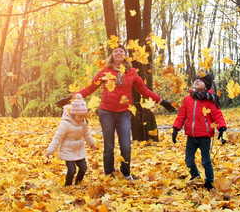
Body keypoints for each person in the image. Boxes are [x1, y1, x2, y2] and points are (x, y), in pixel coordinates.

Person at [56, 44, 175, 180]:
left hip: (124, 114)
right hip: (106, 113)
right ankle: (109, 174)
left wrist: (163, 102)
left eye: (121, 51)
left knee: (125, 145)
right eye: (115, 51)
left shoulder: (132, 73)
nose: (118, 53)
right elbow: (89, 89)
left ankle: (126, 173)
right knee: (109, 146)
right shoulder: (104, 72)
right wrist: (69, 98)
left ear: (125, 55)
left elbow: (145, 91)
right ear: (112, 55)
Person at [171, 73, 227, 191]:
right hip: (191, 136)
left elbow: (218, 116)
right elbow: (181, 116)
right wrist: (176, 128)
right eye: (197, 79)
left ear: (206, 87)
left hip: (204, 136)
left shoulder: (211, 100)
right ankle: (196, 177)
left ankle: (209, 181)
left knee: (206, 160)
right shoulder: (187, 99)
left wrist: (222, 129)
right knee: (188, 160)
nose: (197, 81)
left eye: (201, 81)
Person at [46, 93, 95, 186]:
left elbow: (86, 134)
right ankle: (67, 186)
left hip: (78, 149)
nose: (82, 119)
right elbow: (57, 138)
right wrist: (50, 151)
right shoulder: (65, 124)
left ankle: (78, 183)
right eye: (79, 116)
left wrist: (91, 143)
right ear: (73, 114)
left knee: (83, 168)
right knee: (72, 170)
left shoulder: (83, 122)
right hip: (67, 150)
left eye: (83, 116)